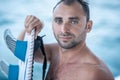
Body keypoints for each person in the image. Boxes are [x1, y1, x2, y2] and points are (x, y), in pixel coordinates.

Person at [18, 0, 114, 80]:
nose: (64, 30)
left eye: (73, 21)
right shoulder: (55, 51)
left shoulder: (94, 74)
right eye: (59, 21)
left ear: (88, 26)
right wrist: (32, 28)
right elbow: (20, 51)